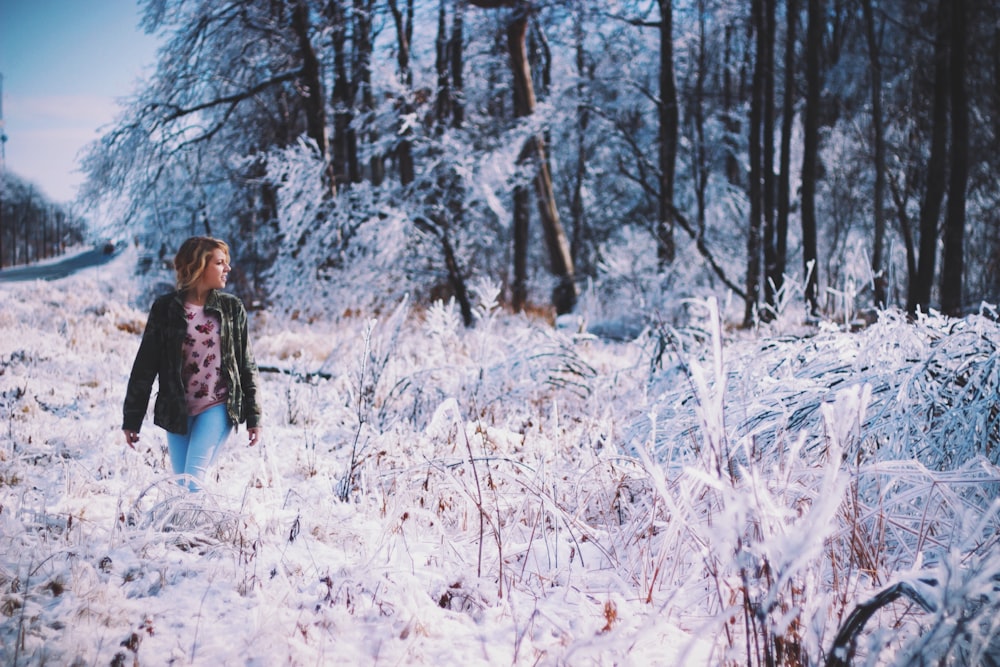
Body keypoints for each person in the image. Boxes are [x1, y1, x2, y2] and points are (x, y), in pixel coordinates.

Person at [122, 236, 263, 490]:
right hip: (177, 410)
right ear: (199, 266)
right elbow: (145, 365)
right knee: (181, 485)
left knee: (192, 481)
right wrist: (132, 418)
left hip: (217, 405)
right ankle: (184, 530)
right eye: (220, 263)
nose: (227, 269)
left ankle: (200, 531)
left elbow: (246, 365)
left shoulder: (231, 308)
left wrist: (253, 415)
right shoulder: (165, 309)